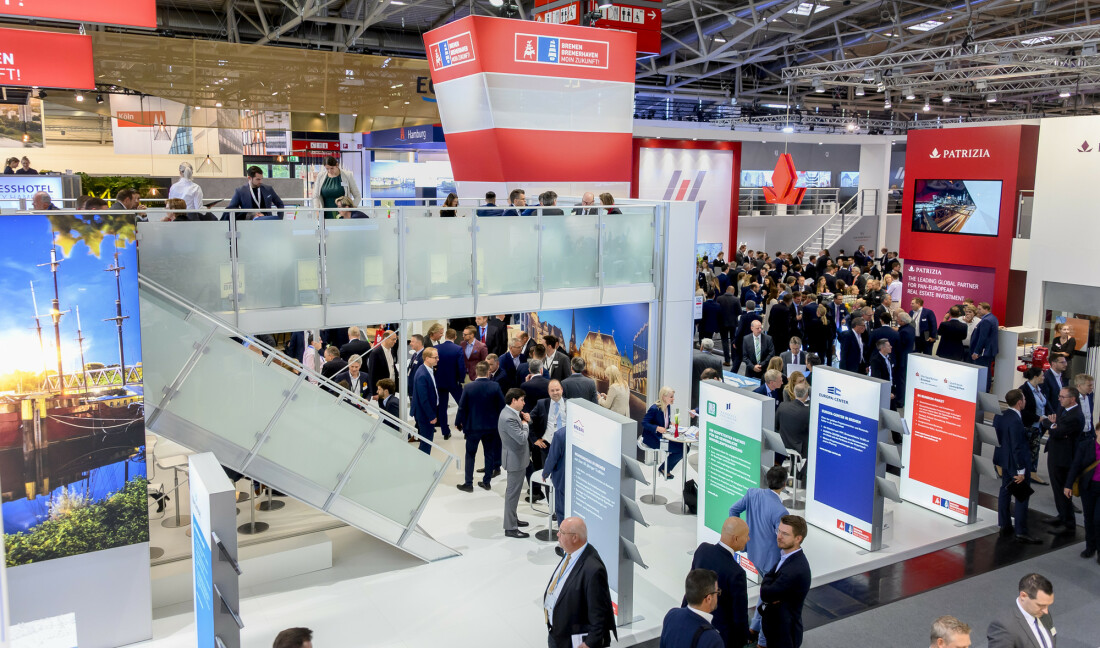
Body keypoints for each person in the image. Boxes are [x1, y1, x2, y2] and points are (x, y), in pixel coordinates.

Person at [729, 466, 788, 647]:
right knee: (772, 600)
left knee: (765, 591)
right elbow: (783, 540)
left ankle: (754, 627)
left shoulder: (752, 493)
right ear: (785, 484)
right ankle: (762, 640)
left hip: (753, 552)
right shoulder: (780, 511)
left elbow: (733, 510)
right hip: (771, 561)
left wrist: (739, 535)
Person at [543, 518, 617, 648]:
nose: (557, 534)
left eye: (562, 532)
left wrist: (589, 643)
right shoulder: (571, 553)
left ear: (575, 538)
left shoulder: (593, 570)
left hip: (572, 640)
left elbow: (598, 614)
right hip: (557, 634)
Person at [684, 518, 749, 648]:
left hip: (691, 622)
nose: (748, 539)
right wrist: (742, 641)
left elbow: (691, 583)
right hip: (720, 635)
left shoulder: (703, 550)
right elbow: (739, 616)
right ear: (735, 539)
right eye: (746, 536)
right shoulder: (737, 572)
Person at [994, 389, 1041, 544]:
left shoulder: (1000, 415)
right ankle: (1021, 531)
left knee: (1005, 491)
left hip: (1005, 461)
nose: (1026, 401)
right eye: (1024, 399)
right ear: (1019, 402)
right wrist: (1020, 470)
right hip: (1016, 464)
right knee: (1022, 496)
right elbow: (1017, 446)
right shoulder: (1015, 420)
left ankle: (1004, 524)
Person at [758, 515, 811, 648]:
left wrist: (767, 581)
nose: (779, 536)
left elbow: (766, 593)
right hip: (777, 629)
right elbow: (769, 581)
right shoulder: (786, 556)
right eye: (779, 531)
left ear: (798, 538)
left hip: (784, 635)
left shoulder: (795, 569)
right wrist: (769, 580)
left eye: (785, 534)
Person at [455, 361, 506, 492]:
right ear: (488, 372)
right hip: (491, 427)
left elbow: (461, 407)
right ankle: (487, 482)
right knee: (489, 453)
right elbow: (502, 406)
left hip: (473, 427)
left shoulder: (468, 387)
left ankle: (468, 483)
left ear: (476, 372)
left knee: (470, 455)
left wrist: (458, 422)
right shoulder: (495, 386)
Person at [1046, 386, 1084, 535]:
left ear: (1072, 399)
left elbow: (1057, 431)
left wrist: (1054, 427)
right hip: (1056, 454)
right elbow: (1054, 427)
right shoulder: (1064, 409)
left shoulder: (1075, 416)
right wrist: (1054, 427)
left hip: (1063, 458)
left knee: (1063, 490)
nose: (1059, 399)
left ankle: (1069, 523)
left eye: (1063, 397)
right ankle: (1061, 516)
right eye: (1059, 396)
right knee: (1057, 488)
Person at [986, 573, 1055, 648]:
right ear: (1023, 596)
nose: (1046, 611)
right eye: (1040, 605)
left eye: (1048, 605)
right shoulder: (1004, 626)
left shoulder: (1042, 613)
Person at [1064, 419, 1100, 562]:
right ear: (1096, 431)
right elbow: (1076, 466)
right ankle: (1090, 547)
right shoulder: (1086, 446)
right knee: (1089, 518)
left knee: (1098, 519)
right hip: (1088, 487)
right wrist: (1068, 485)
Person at [661, 569, 725, 648]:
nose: (717, 595)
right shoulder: (712, 639)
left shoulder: (672, 615)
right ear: (708, 598)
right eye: (717, 592)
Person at [500, 388, 532, 538]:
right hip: (515, 460)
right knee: (512, 494)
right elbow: (521, 438)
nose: (524, 403)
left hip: (517, 458)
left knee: (513, 493)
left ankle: (513, 519)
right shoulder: (509, 417)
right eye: (522, 400)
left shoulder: (512, 414)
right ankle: (510, 528)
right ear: (514, 400)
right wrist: (526, 424)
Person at [643, 387, 683, 479]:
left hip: (663, 436)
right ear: (664, 397)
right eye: (671, 397)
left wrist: (669, 423)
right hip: (654, 439)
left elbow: (664, 421)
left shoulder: (667, 406)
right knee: (681, 450)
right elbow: (644, 423)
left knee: (686, 448)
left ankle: (664, 468)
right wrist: (657, 428)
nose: (673, 399)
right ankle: (664, 469)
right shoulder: (654, 408)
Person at [434, 328, 467, 440]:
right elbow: (461, 367)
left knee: (442, 407)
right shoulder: (458, 349)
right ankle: (466, 430)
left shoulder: (436, 348)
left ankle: (445, 432)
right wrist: (461, 379)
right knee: (463, 405)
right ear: (455, 337)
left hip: (440, 382)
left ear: (445, 336)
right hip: (454, 382)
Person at [1020, 367, 1050, 485]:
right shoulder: (1023, 390)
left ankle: (1032, 473)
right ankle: (1022, 473)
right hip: (1028, 425)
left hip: (1037, 426)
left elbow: (1044, 404)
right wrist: (1037, 418)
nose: (1044, 377)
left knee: (1035, 450)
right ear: (1035, 377)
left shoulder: (1039, 389)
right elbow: (1022, 410)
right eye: (1042, 375)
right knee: (1024, 450)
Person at [776, 383, 810, 475]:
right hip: (799, 448)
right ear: (806, 394)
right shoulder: (808, 412)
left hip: (782, 444)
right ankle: (800, 476)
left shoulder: (782, 406)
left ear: (794, 393)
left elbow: (776, 425)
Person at [411, 348, 440, 454]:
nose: (438, 359)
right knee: (426, 443)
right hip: (424, 414)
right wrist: (431, 416)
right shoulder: (422, 374)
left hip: (426, 412)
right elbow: (424, 399)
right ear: (427, 358)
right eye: (435, 357)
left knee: (426, 442)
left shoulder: (427, 369)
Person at [969, 301, 999, 390]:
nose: (978, 311)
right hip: (988, 351)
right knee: (987, 371)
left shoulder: (986, 320)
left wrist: (976, 352)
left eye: (979, 309)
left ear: (986, 309)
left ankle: (983, 390)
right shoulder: (992, 318)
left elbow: (983, 338)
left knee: (983, 372)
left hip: (983, 352)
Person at [692, 339, 724, 410]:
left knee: (693, 413)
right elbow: (720, 379)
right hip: (709, 392)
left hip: (694, 390)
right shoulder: (717, 361)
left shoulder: (693, 358)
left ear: (701, 347)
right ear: (712, 349)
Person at [716, 286, 742, 367]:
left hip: (722, 323)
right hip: (733, 323)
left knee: (724, 341)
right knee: (733, 341)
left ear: (726, 290)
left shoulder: (719, 298)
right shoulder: (736, 299)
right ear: (733, 291)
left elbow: (717, 310)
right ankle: (734, 360)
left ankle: (727, 360)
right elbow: (740, 311)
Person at [869, 338, 897, 407]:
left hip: (891, 388)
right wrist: (886, 393)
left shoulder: (889, 357)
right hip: (883, 391)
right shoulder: (875, 360)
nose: (891, 347)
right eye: (889, 346)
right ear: (882, 348)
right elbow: (877, 378)